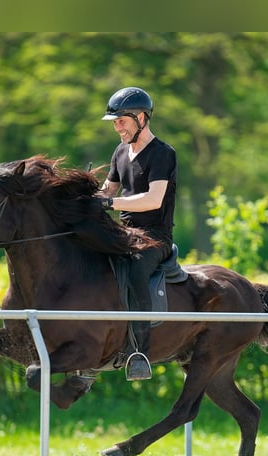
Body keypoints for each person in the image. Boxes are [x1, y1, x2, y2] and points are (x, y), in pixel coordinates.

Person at [98, 86, 177, 381]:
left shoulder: (163, 154)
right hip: (125, 233)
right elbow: (107, 190)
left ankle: (139, 353)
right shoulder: (120, 151)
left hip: (156, 237)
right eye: (115, 122)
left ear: (141, 118)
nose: (117, 127)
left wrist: (108, 203)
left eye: (121, 120)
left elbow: (152, 199)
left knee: (133, 270)